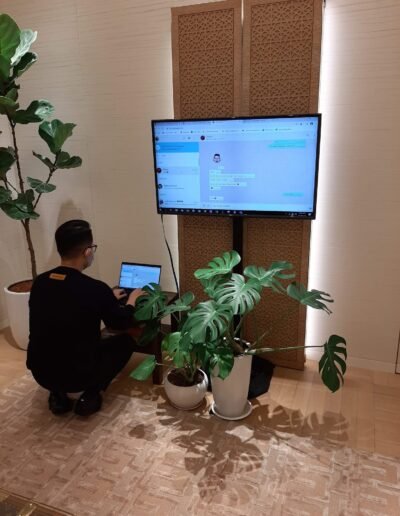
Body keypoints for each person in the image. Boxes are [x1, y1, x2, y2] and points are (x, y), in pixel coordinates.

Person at [27, 220, 143, 417]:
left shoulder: (40, 282)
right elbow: (120, 323)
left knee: (59, 343)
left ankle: (58, 396)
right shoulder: (95, 289)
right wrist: (131, 301)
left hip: (41, 372)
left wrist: (106, 298)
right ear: (87, 252)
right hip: (80, 375)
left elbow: (65, 303)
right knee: (125, 341)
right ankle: (91, 393)